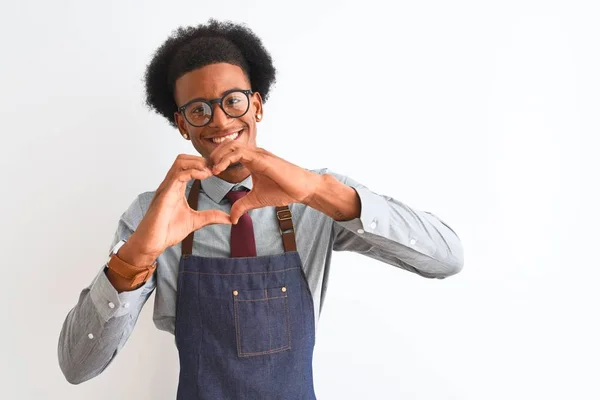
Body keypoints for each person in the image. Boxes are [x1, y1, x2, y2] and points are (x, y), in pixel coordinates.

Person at [58, 19, 464, 400]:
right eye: (199, 110)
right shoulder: (155, 212)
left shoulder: (314, 196)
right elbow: (77, 367)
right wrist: (136, 257)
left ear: (257, 106)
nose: (218, 120)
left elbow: (446, 258)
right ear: (183, 125)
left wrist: (320, 191)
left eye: (232, 101)